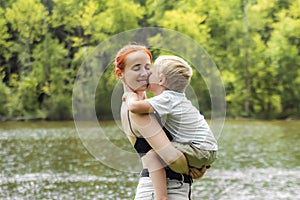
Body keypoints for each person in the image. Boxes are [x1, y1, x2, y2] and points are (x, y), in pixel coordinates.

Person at [114, 44, 207, 200]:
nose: (144, 73)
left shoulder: (144, 105)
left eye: (147, 67)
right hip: (163, 191)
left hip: (168, 188)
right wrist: (193, 169)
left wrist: (198, 167)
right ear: (120, 74)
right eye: (136, 68)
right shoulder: (137, 111)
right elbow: (172, 158)